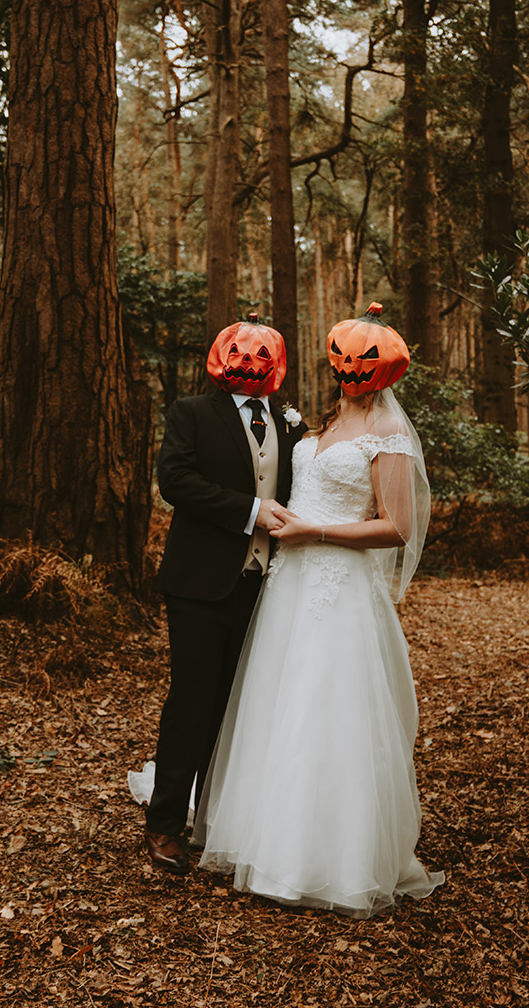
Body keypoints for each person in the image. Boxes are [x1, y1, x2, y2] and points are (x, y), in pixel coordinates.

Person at [194, 303, 444, 917]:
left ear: (388, 369)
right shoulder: (316, 424)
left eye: (365, 362)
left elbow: (398, 527)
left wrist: (318, 535)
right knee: (275, 706)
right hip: (288, 584)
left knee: (328, 709)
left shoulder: (388, 436)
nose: (351, 371)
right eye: (344, 361)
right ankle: (263, 836)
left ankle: (331, 857)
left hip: (338, 584)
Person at [140, 313, 304, 875]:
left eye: (261, 356)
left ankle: (220, 821)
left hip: (268, 585)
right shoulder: (190, 414)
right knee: (192, 701)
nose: (248, 363)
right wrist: (252, 511)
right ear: (221, 355)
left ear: (276, 364)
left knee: (243, 707)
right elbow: (175, 482)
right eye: (239, 352)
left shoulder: (290, 423)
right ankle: (164, 824)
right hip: (198, 584)